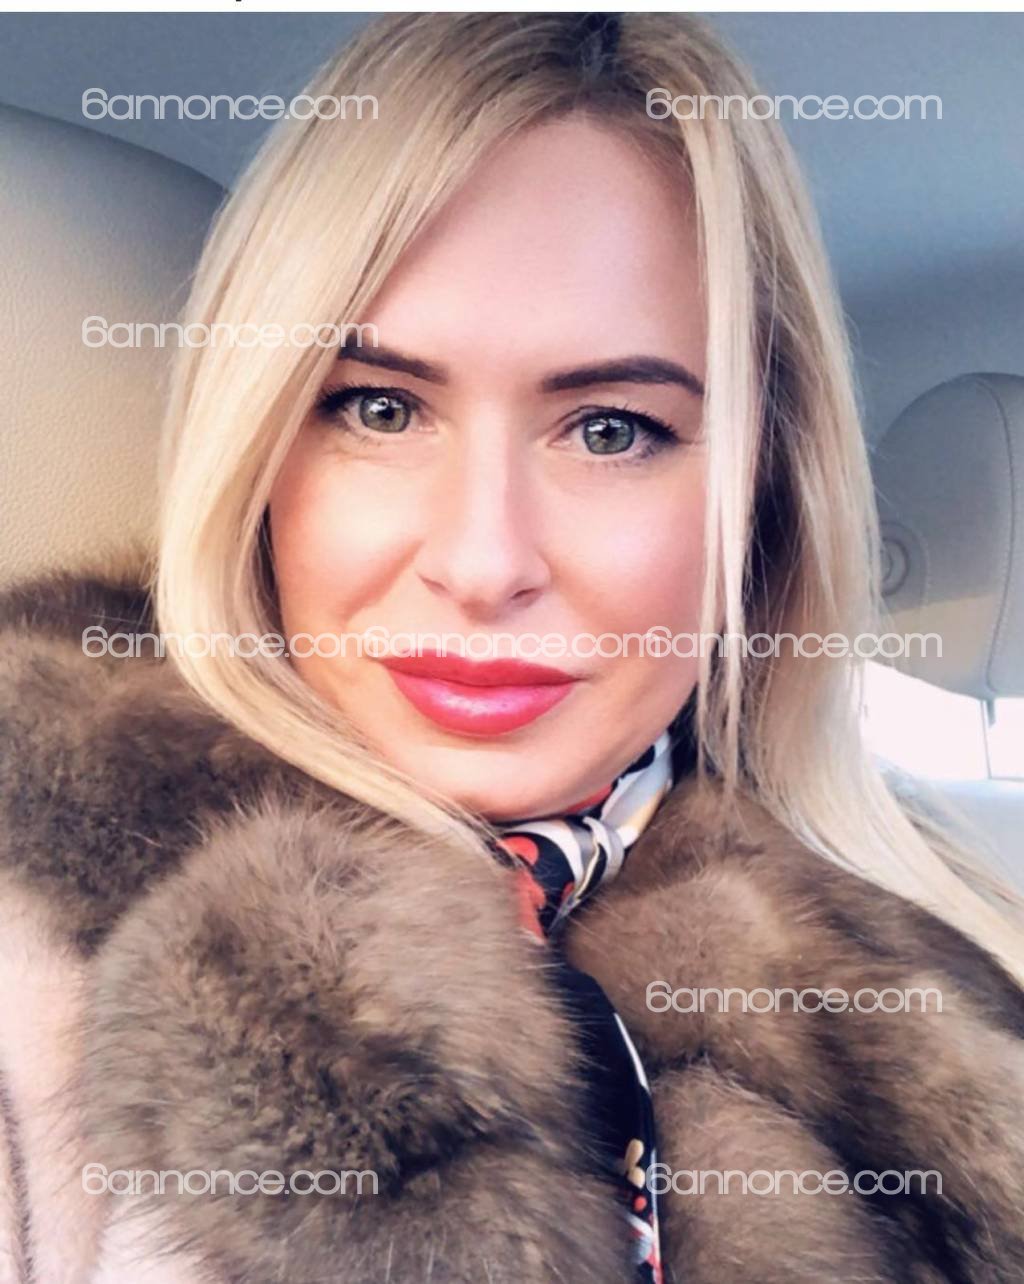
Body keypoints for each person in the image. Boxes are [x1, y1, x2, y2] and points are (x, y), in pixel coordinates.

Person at [1, 12, 1021, 1283]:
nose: (485, 563)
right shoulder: (32, 951)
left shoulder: (960, 940)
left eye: (610, 429)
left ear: (761, 499)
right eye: (379, 408)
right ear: (254, 457)